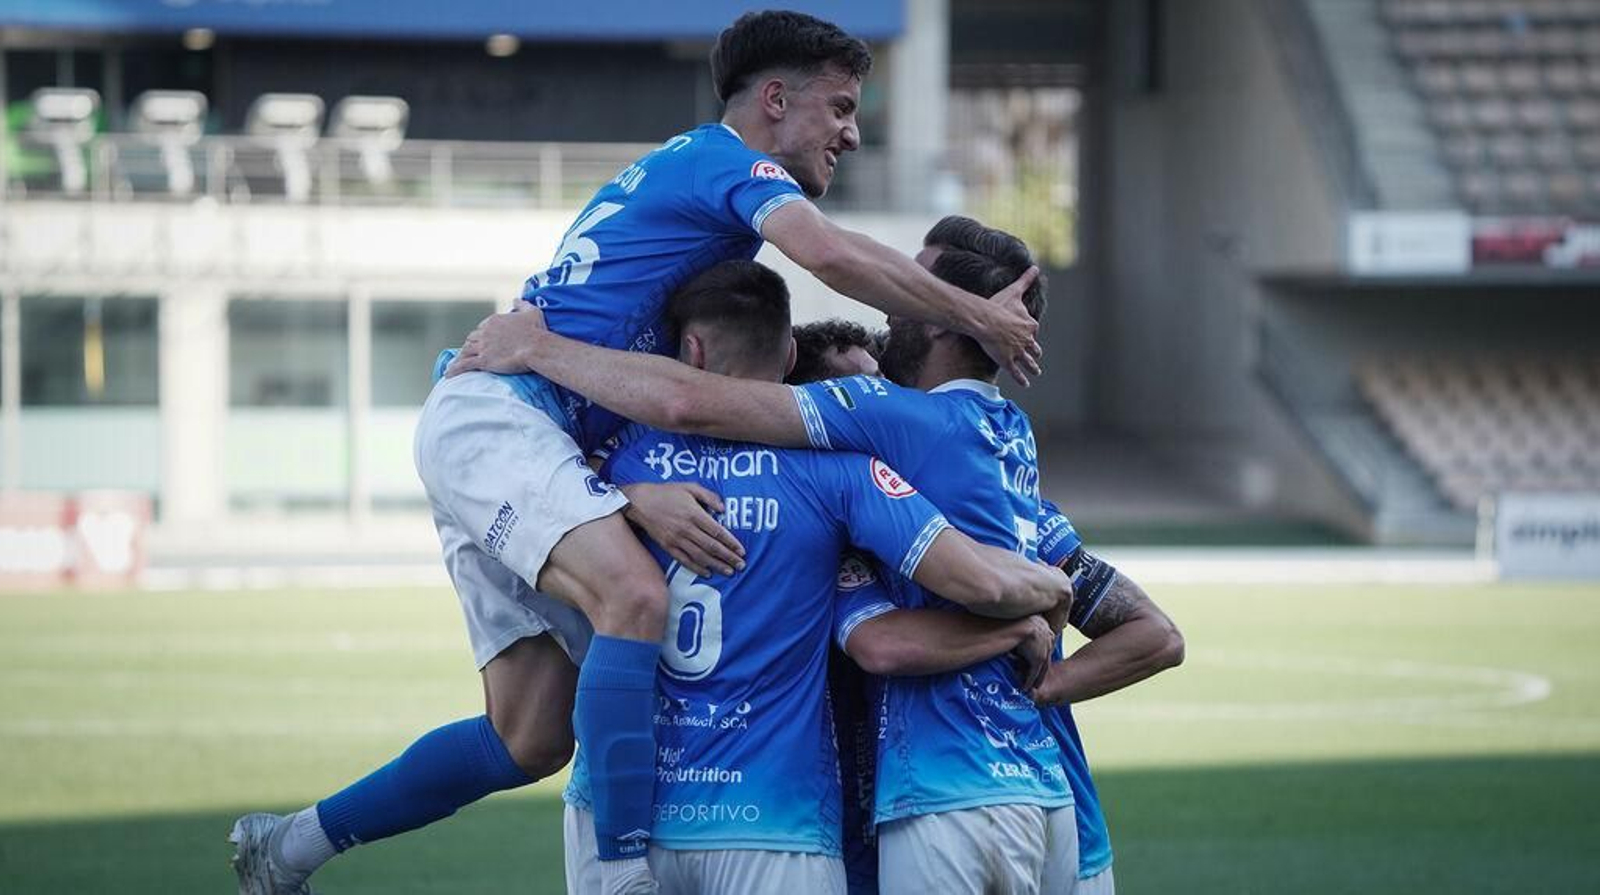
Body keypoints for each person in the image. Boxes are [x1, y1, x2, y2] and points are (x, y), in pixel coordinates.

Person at [230, 11, 1045, 895]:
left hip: (525, 429)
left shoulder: (689, 199)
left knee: (531, 735)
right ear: (774, 100)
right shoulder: (725, 162)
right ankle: (620, 868)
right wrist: (977, 312)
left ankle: (290, 847)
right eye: (840, 106)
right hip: (503, 416)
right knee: (633, 592)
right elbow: (831, 254)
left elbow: (650, 391)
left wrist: (623, 491)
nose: (852, 130)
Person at [451, 217, 1078, 892]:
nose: (892, 303)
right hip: (780, 827)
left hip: (625, 814)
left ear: (689, 348)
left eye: (915, 289)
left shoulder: (611, 465)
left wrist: (557, 377)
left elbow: (669, 410)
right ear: (786, 362)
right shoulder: (876, 468)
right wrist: (1047, 592)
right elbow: (973, 579)